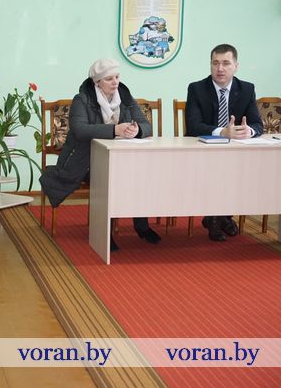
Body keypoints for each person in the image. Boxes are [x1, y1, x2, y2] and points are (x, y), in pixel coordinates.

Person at [39, 58, 161, 251]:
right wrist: (115, 130)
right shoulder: (82, 99)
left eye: (117, 77)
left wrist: (137, 130)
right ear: (97, 82)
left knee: (140, 175)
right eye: (109, 79)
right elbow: (80, 130)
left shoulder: (124, 96)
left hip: (119, 160)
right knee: (112, 178)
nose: (115, 82)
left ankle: (141, 226)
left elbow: (146, 125)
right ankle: (105, 233)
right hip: (85, 162)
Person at [185, 44, 264, 242]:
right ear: (210, 65)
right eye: (215, 63)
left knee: (244, 171)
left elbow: (257, 124)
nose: (220, 68)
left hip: (235, 153)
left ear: (236, 66)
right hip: (202, 151)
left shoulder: (246, 89)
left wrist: (248, 131)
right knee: (217, 170)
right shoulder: (196, 88)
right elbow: (193, 126)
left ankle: (222, 216)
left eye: (226, 63)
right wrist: (222, 132)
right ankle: (216, 218)